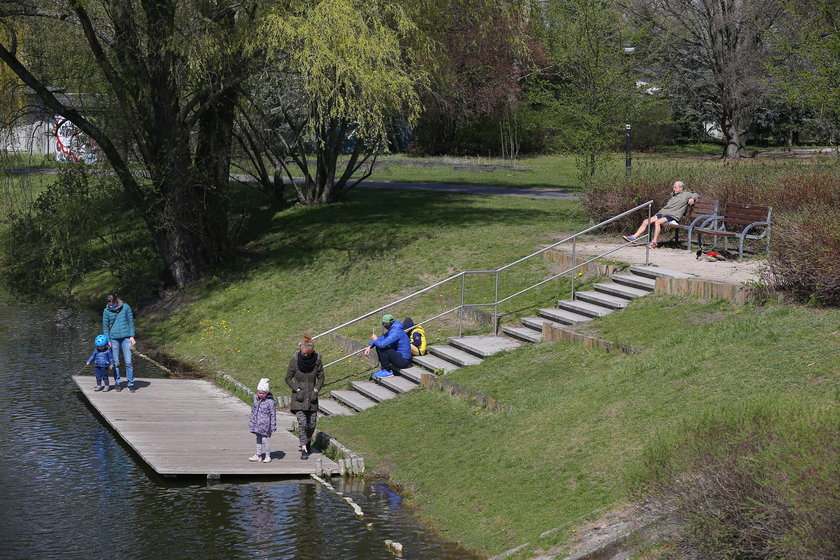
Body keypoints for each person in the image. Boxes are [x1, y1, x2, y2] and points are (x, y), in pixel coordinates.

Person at [622, 181, 699, 248]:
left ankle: (654, 242)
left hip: (672, 216)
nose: (673, 189)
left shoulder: (686, 194)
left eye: (675, 187)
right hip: (663, 213)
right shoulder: (673, 195)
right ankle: (634, 237)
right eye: (673, 187)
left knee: (657, 222)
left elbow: (696, 194)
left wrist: (692, 198)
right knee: (646, 221)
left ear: (681, 188)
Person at [285, 335, 325, 460]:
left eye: (308, 353)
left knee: (311, 424)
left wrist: (316, 389)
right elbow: (288, 378)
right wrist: (296, 389)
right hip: (299, 398)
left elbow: (321, 377)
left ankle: (307, 441)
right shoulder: (295, 361)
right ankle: (304, 448)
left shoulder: (317, 361)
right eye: (304, 353)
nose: (306, 355)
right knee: (302, 423)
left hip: (312, 398)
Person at [102, 293, 136, 392]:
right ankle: (118, 382)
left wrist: (132, 336)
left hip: (126, 338)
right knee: (116, 362)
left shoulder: (126, 307)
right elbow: (105, 327)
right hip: (114, 339)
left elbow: (131, 322)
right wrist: (108, 340)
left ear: (117, 300)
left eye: (113, 304)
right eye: (110, 305)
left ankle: (130, 383)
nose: (111, 306)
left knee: (128, 362)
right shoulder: (106, 311)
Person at [364, 314, 412, 379]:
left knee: (381, 347)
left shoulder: (396, 332)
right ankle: (385, 370)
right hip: (400, 356)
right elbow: (382, 338)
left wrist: (375, 340)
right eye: (383, 323)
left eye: (385, 324)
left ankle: (387, 371)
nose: (384, 325)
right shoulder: (393, 329)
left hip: (404, 361)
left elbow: (382, 344)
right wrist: (370, 345)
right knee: (379, 345)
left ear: (391, 323)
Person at [249, 378, 277, 463]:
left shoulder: (270, 402)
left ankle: (268, 456)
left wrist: (273, 426)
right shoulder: (256, 399)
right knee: (258, 439)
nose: (260, 394)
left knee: (265, 440)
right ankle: (258, 455)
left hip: (265, 425)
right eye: (259, 392)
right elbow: (253, 410)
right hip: (257, 423)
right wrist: (252, 421)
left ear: (266, 392)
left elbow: (273, 414)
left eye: (263, 393)